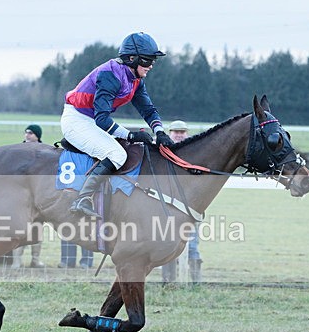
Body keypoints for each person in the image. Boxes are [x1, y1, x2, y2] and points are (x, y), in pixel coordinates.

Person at [61, 32, 175, 218]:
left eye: (153, 61)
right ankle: (83, 199)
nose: (151, 65)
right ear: (132, 58)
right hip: (77, 119)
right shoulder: (110, 74)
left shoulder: (136, 80)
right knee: (117, 154)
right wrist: (131, 135)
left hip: (90, 120)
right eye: (147, 60)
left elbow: (148, 110)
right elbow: (102, 119)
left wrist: (160, 131)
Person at [160, 120, 202, 284]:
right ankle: (168, 281)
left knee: (191, 245)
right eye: (175, 132)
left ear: (187, 134)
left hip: (190, 207)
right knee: (167, 244)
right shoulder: (163, 153)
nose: (178, 135)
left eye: (182, 132)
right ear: (169, 133)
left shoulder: (195, 154)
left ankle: (195, 283)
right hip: (166, 208)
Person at [11, 124, 46, 268]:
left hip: (38, 196)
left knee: (37, 229)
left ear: (37, 135)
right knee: (20, 229)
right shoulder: (18, 150)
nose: (27, 135)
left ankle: (35, 260)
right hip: (22, 195)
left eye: (30, 133)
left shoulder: (45, 151)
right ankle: (16, 261)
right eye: (26, 133)